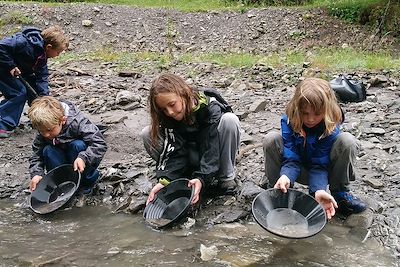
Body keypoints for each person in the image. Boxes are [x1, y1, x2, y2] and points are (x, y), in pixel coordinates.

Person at [262, 77, 367, 219]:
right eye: (305, 113)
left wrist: (318, 190)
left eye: (317, 114)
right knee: (271, 139)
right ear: (298, 109)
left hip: (324, 169)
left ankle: (340, 194)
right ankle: (278, 191)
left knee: (347, 141)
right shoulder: (289, 120)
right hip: (295, 167)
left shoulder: (331, 124)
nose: (310, 119)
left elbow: (319, 165)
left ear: (327, 110)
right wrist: (286, 176)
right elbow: (291, 156)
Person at [141, 73, 241, 205]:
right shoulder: (167, 117)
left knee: (230, 120)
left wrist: (202, 178)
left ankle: (226, 177)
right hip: (189, 156)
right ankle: (181, 178)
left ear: (184, 93)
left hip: (213, 153)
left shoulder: (210, 106)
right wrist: (165, 180)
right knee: (147, 133)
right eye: (164, 109)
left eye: (172, 104)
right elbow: (172, 150)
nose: (170, 112)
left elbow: (212, 147)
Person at [28, 96, 107, 194]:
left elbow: (99, 143)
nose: (46, 134)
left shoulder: (78, 123)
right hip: (60, 160)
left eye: (49, 130)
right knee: (48, 150)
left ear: (63, 120)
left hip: (78, 159)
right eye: (41, 131)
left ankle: (86, 184)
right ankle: (61, 184)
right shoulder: (44, 131)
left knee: (78, 145)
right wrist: (36, 174)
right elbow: (36, 155)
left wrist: (84, 157)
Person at [0, 25, 69, 138]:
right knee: (19, 93)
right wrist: (10, 65)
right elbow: (1, 47)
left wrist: (45, 98)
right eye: (58, 52)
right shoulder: (23, 43)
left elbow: (42, 77)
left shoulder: (42, 56)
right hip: (3, 69)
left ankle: (40, 119)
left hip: (19, 72)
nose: (58, 55)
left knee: (36, 94)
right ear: (49, 47)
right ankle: (2, 123)